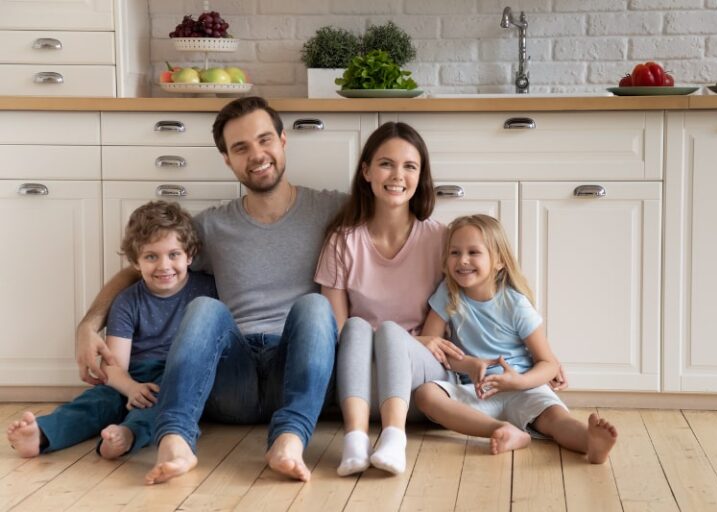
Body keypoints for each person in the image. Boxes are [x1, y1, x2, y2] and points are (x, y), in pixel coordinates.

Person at [74, 96, 345, 484]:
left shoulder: (331, 209)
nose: (256, 155)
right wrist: (88, 326)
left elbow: (392, 223)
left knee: (316, 307)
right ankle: (176, 441)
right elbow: (143, 268)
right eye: (241, 148)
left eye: (264, 140)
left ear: (284, 140)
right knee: (204, 308)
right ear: (227, 160)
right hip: (231, 376)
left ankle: (289, 439)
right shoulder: (213, 226)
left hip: (296, 370)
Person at [7, 201, 216, 460]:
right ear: (136, 262)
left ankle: (128, 434)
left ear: (190, 256)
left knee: (162, 400)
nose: (164, 266)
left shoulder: (207, 289)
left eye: (174, 254)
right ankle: (42, 434)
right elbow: (114, 364)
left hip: (178, 373)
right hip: (131, 375)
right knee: (96, 402)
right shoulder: (127, 301)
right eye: (151, 256)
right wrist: (129, 388)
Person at [315, 122, 467, 476]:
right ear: (366, 171)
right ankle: (355, 440)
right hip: (360, 385)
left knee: (389, 333)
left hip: (421, 381)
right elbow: (336, 332)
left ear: (421, 176)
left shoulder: (441, 239)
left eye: (409, 166)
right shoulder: (342, 241)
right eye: (386, 163)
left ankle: (394, 437)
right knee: (355, 326)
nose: (397, 175)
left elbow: (451, 319)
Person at [413, 214, 618, 463]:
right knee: (425, 395)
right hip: (477, 391)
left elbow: (548, 363)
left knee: (556, 420)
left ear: (499, 261)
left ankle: (590, 442)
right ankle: (501, 431)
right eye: (454, 252)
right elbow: (430, 345)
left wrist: (519, 382)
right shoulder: (448, 294)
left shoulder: (515, 304)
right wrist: (468, 364)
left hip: (524, 387)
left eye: (473, 252)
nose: (462, 260)